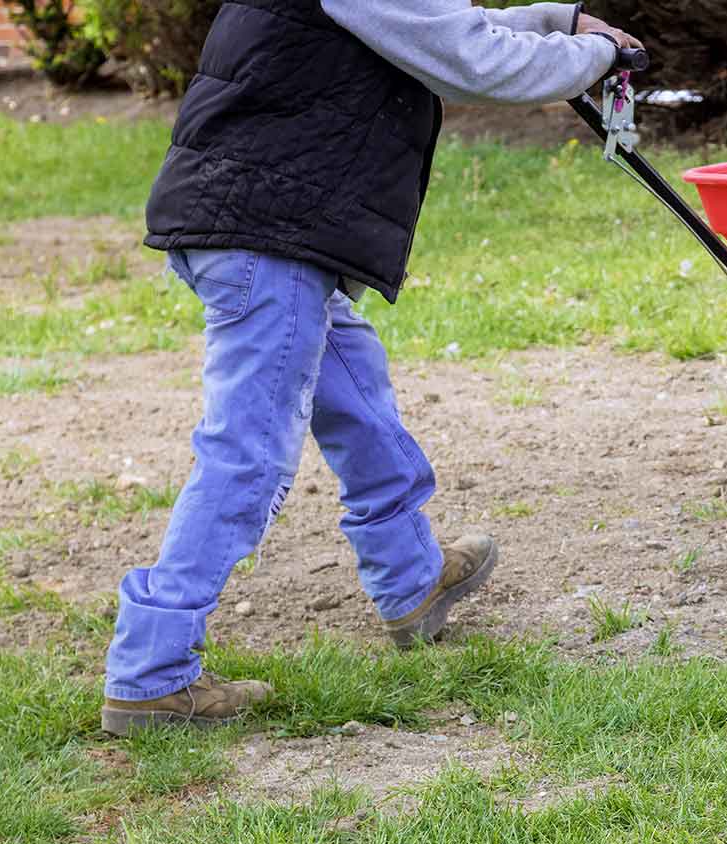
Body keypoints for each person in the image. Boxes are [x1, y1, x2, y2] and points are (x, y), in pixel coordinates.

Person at [99, 0, 641, 737]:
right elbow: (467, 55)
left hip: (260, 220)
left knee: (354, 392)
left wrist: (552, 22)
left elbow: (433, 23)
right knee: (249, 453)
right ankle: (151, 674)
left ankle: (411, 579)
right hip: (268, 233)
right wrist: (595, 58)